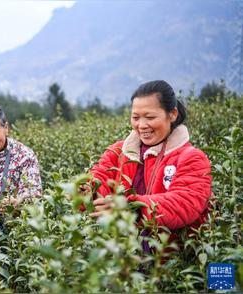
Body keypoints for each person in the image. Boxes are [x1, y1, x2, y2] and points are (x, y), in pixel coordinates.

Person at [87, 80, 212, 233]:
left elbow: (184, 203)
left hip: (169, 254)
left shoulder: (192, 159)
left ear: (172, 114)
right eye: (136, 117)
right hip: (125, 253)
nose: (142, 125)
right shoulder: (118, 152)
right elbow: (100, 177)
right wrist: (86, 190)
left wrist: (132, 208)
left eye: (150, 117)